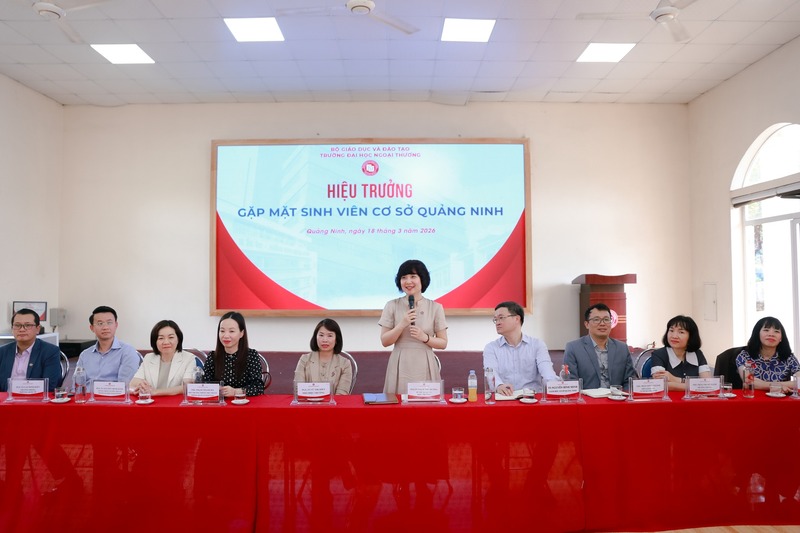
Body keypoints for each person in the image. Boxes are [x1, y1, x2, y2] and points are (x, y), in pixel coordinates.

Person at [379, 259, 448, 395]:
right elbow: (385, 341)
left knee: (425, 405)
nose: (408, 281)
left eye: (413, 276)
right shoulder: (391, 305)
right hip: (400, 362)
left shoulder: (435, 307)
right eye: (404, 277)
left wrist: (425, 337)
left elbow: (443, 343)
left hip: (425, 362)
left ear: (422, 279)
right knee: (398, 404)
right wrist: (402, 324)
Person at [482, 301, 556, 395]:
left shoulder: (537, 345)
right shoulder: (491, 348)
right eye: (495, 319)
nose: (497, 323)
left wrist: (555, 386)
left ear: (517, 319)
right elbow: (491, 373)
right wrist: (499, 386)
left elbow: (547, 372)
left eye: (501, 318)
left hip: (532, 398)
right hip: (505, 397)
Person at [563, 303, 636, 389]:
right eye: (596, 320)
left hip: (617, 396)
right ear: (587, 324)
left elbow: (629, 381)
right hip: (587, 397)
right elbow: (571, 383)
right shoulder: (573, 348)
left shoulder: (622, 348)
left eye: (606, 319)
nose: (602, 324)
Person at [129, 320, 198, 396]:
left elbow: (187, 387)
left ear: (178, 339)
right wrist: (141, 385)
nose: (166, 342)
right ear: (155, 341)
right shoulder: (148, 358)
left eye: (171, 337)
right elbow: (133, 382)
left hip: (175, 402)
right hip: (152, 401)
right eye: (161, 338)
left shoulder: (189, 358)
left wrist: (155, 392)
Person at [203, 311, 264, 397]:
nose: (226, 336)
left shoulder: (251, 355)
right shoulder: (212, 357)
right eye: (222, 331)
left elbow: (258, 387)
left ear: (241, 333)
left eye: (231, 331)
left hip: (245, 403)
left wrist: (236, 391)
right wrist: (215, 389)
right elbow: (205, 384)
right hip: (220, 403)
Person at [76, 305, 141, 384]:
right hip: (88, 392)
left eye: (109, 323)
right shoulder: (85, 355)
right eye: (100, 323)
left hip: (115, 392)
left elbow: (125, 385)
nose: (105, 327)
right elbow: (77, 384)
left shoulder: (127, 352)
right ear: (92, 328)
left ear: (116, 325)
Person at [0, 308, 61, 391]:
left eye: (28, 325)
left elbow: (50, 385)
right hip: (6, 398)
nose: (22, 329)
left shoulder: (50, 352)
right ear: (12, 329)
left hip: (35, 397)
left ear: (37, 329)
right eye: (17, 325)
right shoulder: (2, 352)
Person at [736, 316, 800, 392]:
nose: (771, 334)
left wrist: (765, 384)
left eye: (776, 331)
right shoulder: (744, 356)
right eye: (766, 330)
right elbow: (749, 382)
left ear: (781, 338)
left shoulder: (789, 357)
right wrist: (779, 386)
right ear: (757, 334)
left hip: (780, 398)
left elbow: (799, 381)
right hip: (753, 398)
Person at [650, 315, 712, 390]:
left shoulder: (697, 354)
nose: (674, 336)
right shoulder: (659, 354)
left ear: (691, 336)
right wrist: (696, 385)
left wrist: (675, 379)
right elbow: (660, 385)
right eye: (671, 330)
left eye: (681, 332)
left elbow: (707, 384)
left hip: (693, 397)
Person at [294, 318, 353, 395]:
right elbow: (299, 389)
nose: (325, 340)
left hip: (335, 403)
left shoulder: (345, 363)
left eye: (330, 336)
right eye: (321, 335)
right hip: (308, 402)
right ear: (316, 337)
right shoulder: (304, 360)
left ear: (336, 339)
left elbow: (342, 394)